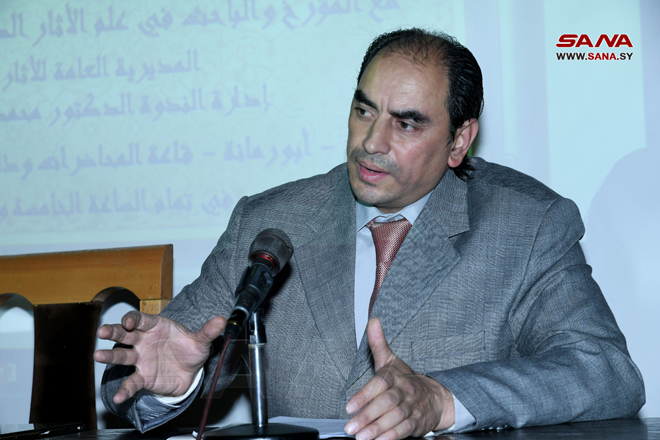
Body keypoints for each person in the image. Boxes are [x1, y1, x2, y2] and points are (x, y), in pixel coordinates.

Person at [95, 28, 645, 439]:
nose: (371, 142)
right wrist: (175, 385)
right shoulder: (270, 222)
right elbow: (137, 380)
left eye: (405, 123)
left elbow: (605, 373)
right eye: (364, 111)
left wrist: (441, 400)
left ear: (459, 141)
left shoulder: (526, 225)